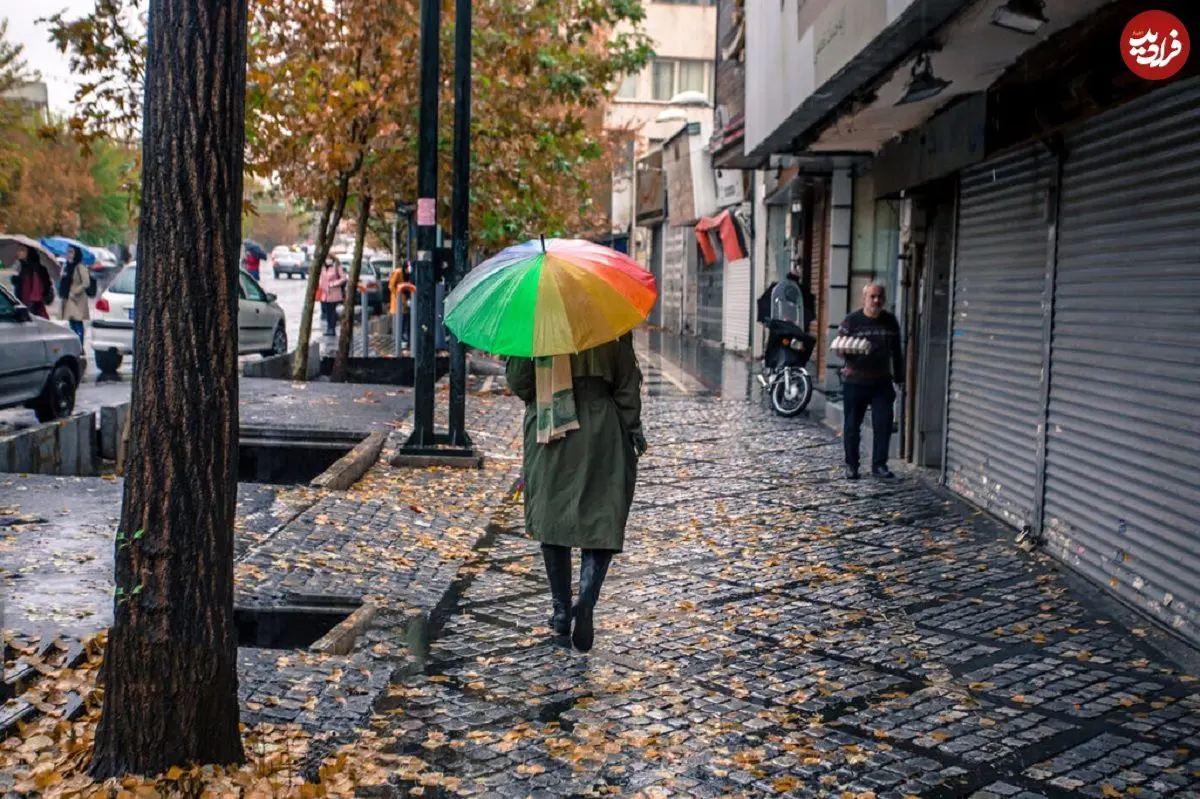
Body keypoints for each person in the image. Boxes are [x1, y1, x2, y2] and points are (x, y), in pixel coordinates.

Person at [505, 333, 647, 652]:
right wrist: (633, 430)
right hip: (601, 428)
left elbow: (520, 383)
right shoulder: (608, 320)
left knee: (551, 517)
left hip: (549, 425)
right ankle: (585, 600)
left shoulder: (537, 322)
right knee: (601, 515)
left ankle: (560, 613)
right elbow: (627, 384)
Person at [837, 282, 904, 480]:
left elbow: (896, 352)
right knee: (851, 426)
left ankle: (879, 465)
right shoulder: (851, 321)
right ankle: (852, 465)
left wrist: (899, 377)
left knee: (882, 425)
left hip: (881, 382)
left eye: (880, 297)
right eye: (872, 296)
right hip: (855, 382)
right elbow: (839, 348)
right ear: (864, 298)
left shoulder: (890, 321)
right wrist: (851, 353)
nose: (876, 300)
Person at [11, 245, 53, 319]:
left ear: (29, 252)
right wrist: (16, 280)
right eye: (18, 250)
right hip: (23, 305)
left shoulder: (35, 268)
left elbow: (37, 292)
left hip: (32, 308)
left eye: (22, 250)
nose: (18, 252)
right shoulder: (23, 267)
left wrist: (31, 309)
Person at [60, 245, 90, 345]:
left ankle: (80, 345)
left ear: (76, 253)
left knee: (78, 323)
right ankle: (76, 345)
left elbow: (86, 283)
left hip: (77, 300)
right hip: (69, 299)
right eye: (68, 252)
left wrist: (75, 292)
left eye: (71, 252)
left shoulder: (80, 266)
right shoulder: (67, 266)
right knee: (71, 323)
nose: (69, 254)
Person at [317, 256, 347, 336]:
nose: (327, 260)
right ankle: (329, 328)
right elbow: (321, 278)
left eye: (329, 258)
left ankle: (332, 329)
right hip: (324, 293)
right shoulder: (323, 267)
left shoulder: (336, 267)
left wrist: (334, 284)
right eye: (326, 258)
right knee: (327, 311)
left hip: (334, 293)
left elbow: (343, 278)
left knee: (332, 311)